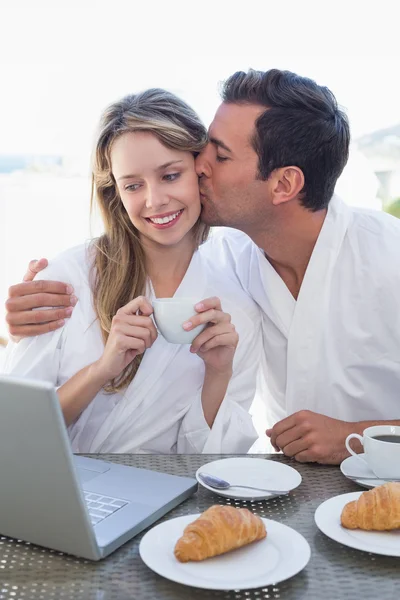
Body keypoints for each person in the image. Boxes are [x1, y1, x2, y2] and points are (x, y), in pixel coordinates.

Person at [6, 69, 400, 465]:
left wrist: (358, 436)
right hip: (292, 487)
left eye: (219, 155)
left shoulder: (386, 256)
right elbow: (16, 429)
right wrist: (31, 307)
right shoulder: (234, 258)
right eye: (133, 184)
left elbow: (211, 444)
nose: (201, 165)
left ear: (283, 185)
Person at [2, 88, 262, 454]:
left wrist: (218, 374)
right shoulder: (65, 281)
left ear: (199, 172)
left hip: (171, 501)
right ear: (116, 194)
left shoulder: (235, 305)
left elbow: (211, 461)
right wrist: (101, 370)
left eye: (170, 175)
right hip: (69, 495)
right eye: (133, 185)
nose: (154, 200)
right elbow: (16, 432)